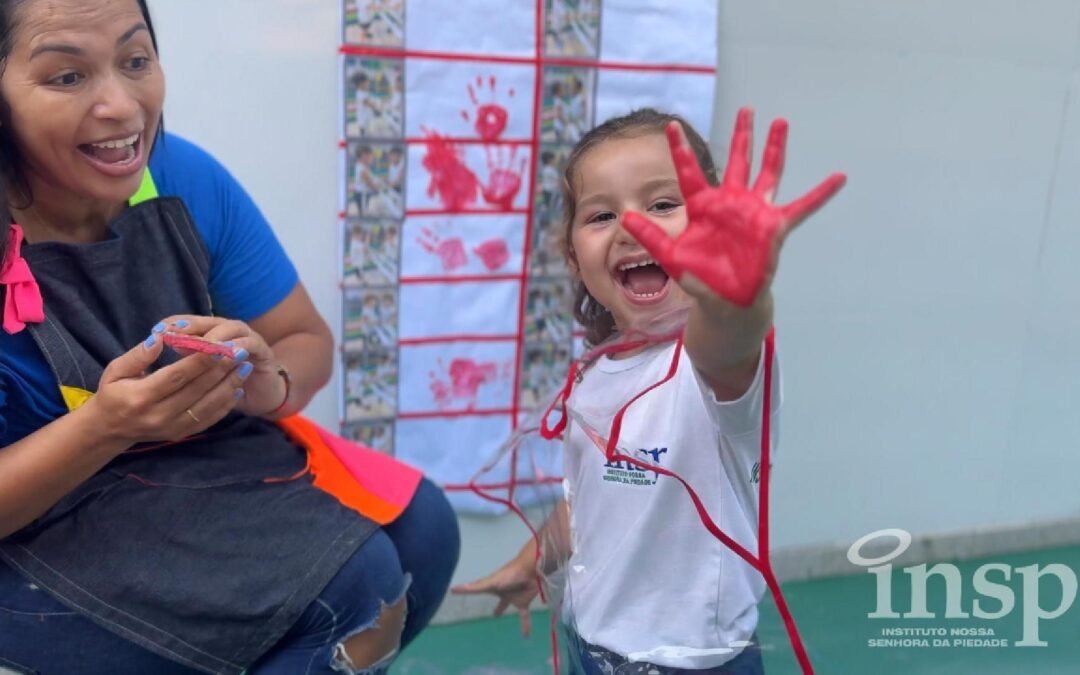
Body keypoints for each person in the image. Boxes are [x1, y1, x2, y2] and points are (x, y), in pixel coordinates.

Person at [0, 1, 459, 673]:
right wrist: (103, 426)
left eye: (135, 61)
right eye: (66, 77)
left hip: (184, 475)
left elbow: (305, 341)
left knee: (420, 531)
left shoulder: (183, 176)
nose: (122, 108)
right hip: (35, 529)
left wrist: (261, 381)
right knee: (348, 587)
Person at [453, 107, 844, 673]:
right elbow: (596, 500)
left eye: (664, 204)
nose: (635, 225)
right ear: (573, 257)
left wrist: (733, 291)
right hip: (597, 647)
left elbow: (731, 337)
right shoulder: (595, 373)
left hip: (691, 663)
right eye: (602, 214)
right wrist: (537, 559)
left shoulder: (711, 367)